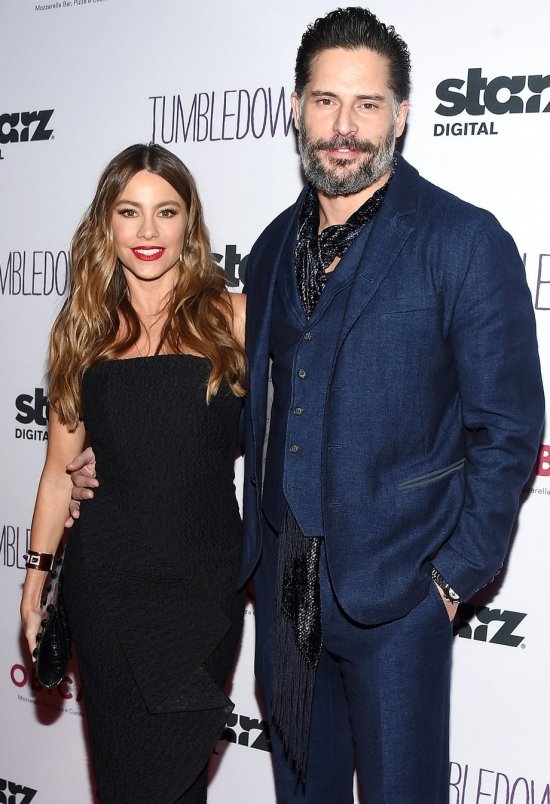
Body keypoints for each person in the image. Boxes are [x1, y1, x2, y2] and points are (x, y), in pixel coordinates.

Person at [68, 8, 545, 804]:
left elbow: (509, 428)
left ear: (400, 114)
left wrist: (452, 579)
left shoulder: (463, 240)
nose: (344, 127)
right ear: (296, 109)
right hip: (283, 598)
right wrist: (109, 458)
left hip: (401, 598)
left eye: (367, 104)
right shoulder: (267, 249)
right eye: (326, 101)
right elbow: (228, 405)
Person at [20, 143, 247, 804]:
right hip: (108, 586)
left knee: (179, 775)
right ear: (107, 223)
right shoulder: (84, 329)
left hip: (204, 586)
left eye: (166, 211)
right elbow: (58, 472)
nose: (148, 230)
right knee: (124, 782)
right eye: (130, 211)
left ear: (188, 223)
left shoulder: (233, 317)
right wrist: (35, 582)